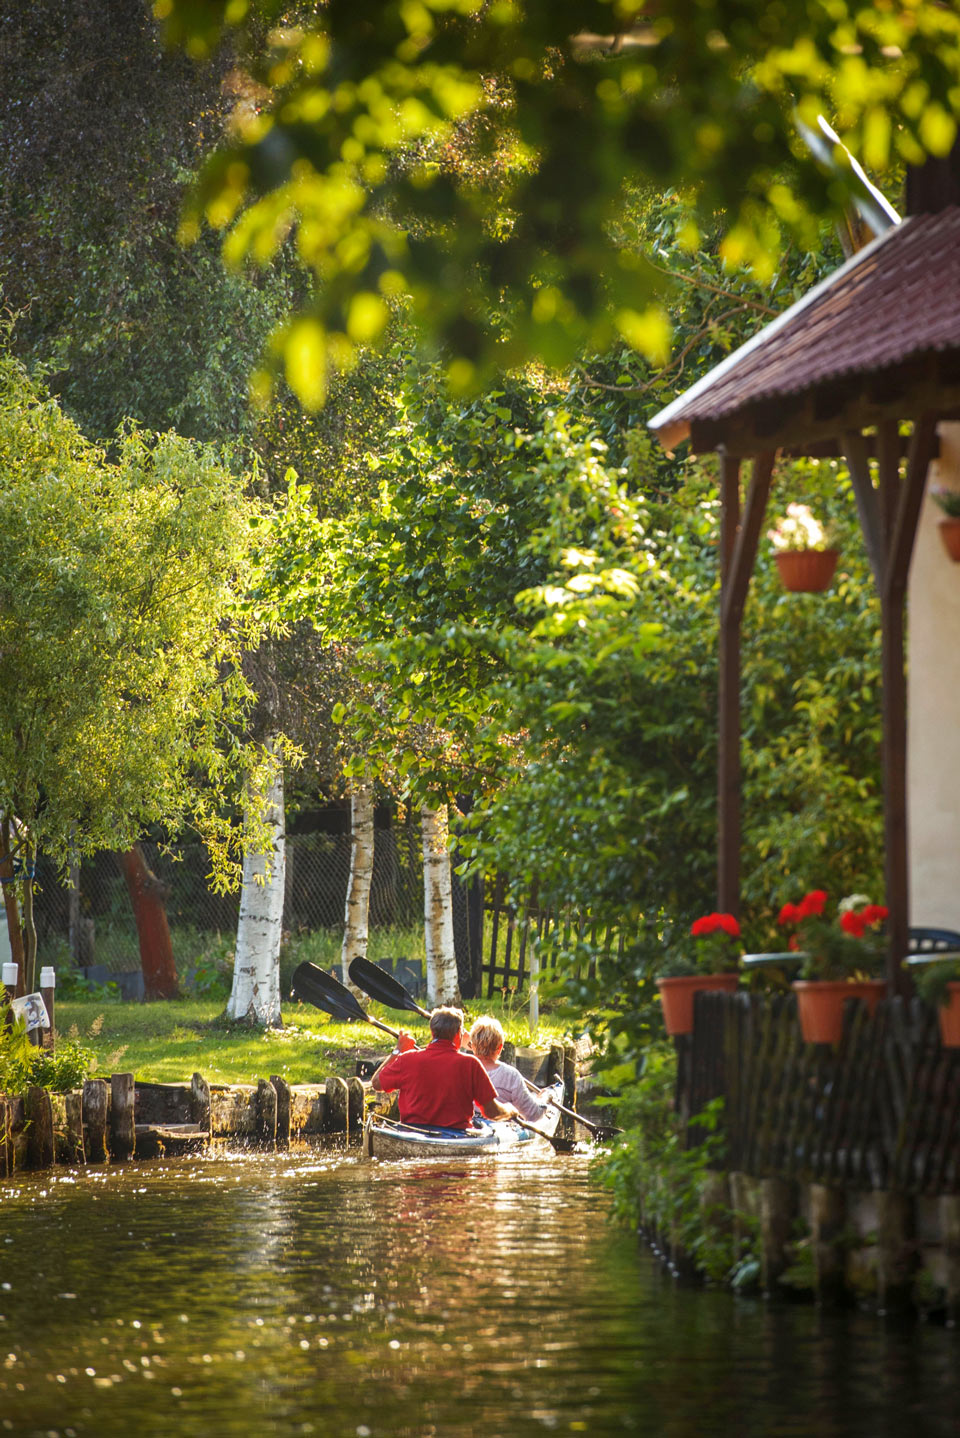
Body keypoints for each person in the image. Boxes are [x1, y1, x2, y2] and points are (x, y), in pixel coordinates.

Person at [372, 1006, 520, 1130]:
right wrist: (511, 1111)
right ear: (458, 1034)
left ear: (432, 1032)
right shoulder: (471, 1064)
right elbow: (492, 1112)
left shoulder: (406, 1058)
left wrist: (398, 1050)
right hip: (456, 1136)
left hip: (412, 1131)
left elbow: (376, 1083)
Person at [467, 1015, 552, 1124]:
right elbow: (533, 1114)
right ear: (500, 1047)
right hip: (498, 1128)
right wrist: (544, 1100)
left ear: (472, 1046)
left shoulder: (461, 1068)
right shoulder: (510, 1075)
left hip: (467, 1127)